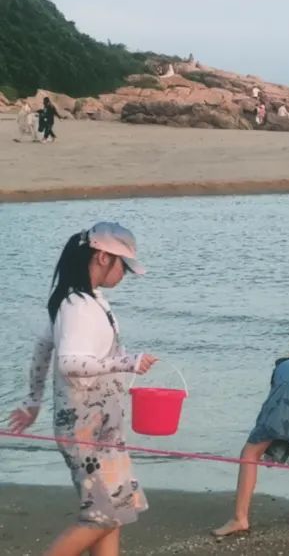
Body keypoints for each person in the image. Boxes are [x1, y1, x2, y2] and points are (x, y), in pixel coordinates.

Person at [8, 222, 156, 556]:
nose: (125, 274)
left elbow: (43, 348)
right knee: (100, 517)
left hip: (101, 427)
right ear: (103, 257)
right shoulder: (78, 306)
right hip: (85, 429)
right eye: (124, 266)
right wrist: (126, 362)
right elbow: (69, 363)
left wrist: (33, 401)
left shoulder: (79, 299)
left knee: (113, 512)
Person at [213, 339, 289, 536]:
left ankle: (240, 518)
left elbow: (275, 392)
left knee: (250, 453)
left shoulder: (282, 365)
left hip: (280, 406)